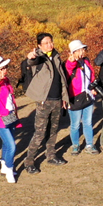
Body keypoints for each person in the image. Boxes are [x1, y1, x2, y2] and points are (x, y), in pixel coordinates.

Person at [24, 32, 70, 173]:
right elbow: (31, 62)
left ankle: (51, 155)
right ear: (39, 46)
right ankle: (29, 161)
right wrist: (30, 58)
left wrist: (64, 97)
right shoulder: (38, 57)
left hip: (57, 100)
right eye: (46, 43)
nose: (49, 45)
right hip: (44, 101)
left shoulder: (56, 56)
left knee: (53, 130)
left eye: (51, 42)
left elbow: (62, 79)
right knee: (40, 132)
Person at [0, 56, 21, 183]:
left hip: (10, 115)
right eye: (2, 68)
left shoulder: (6, 80)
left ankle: (4, 166)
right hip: (0, 118)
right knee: (12, 146)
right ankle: (10, 169)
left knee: (6, 144)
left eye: (6, 67)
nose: (5, 70)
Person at [64, 40, 99, 155]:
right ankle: (75, 145)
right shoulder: (69, 63)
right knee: (75, 125)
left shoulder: (86, 61)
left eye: (82, 49)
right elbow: (69, 69)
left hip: (88, 95)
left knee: (88, 123)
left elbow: (91, 76)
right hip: (75, 98)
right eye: (79, 50)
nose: (82, 52)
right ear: (73, 52)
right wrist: (72, 60)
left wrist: (93, 87)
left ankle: (90, 145)